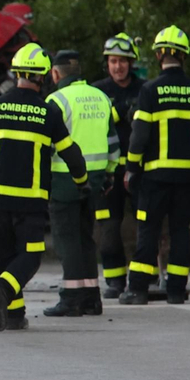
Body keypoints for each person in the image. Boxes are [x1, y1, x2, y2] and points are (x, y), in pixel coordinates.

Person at [0, 43, 88, 331]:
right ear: (42, 77)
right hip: (30, 201)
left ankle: (13, 315)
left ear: (16, 74)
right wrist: (82, 182)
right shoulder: (47, 113)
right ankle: (2, 288)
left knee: (7, 254)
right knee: (30, 257)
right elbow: (71, 153)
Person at [119, 26, 190, 305]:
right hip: (188, 177)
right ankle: (176, 290)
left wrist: (132, 168)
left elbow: (139, 135)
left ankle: (138, 289)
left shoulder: (150, 90)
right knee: (180, 231)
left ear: (158, 55)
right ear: (184, 56)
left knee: (148, 231)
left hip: (155, 177)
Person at [43, 50, 119, 318]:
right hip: (96, 180)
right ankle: (91, 298)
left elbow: (47, 146)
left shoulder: (56, 100)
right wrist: (110, 174)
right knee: (86, 238)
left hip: (64, 180)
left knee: (67, 240)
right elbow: (113, 142)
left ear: (55, 73)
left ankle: (71, 298)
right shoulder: (101, 97)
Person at [93, 33, 143, 297]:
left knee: (144, 227)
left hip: (139, 170)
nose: (118, 66)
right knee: (109, 228)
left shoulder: (145, 89)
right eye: (113, 61)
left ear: (131, 62)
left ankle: (143, 278)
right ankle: (114, 280)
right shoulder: (97, 92)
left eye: (122, 61)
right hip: (109, 172)